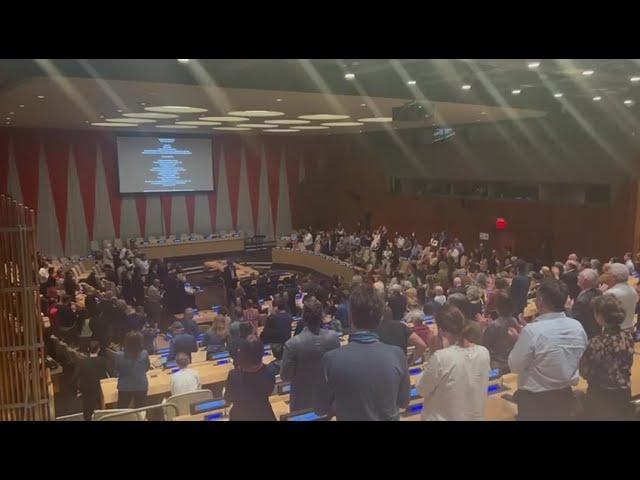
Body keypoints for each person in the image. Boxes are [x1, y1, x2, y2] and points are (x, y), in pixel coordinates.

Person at [314, 285, 410, 421]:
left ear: (350, 316)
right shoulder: (398, 354)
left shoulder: (330, 359)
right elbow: (404, 402)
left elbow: (320, 409)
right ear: (380, 317)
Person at [508, 279, 588, 420]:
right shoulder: (577, 326)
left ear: (540, 301)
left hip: (535, 402)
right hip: (565, 396)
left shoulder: (532, 331)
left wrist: (519, 341)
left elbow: (514, 366)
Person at [416, 304, 490, 420]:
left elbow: (421, 390)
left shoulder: (441, 357)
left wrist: (433, 353)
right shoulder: (484, 352)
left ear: (440, 331)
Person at [280, 297, 341, 411]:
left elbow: (285, 376)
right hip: (328, 401)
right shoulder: (334, 338)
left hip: (302, 402)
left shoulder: (292, 344)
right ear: (322, 316)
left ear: (303, 317)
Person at [579, 295, 635, 420]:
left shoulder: (596, 342)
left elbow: (584, 371)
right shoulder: (628, 337)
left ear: (600, 316)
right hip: (624, 392)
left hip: (601, 395)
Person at [224, 335, 276, 421]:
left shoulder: (234, 376)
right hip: (265, 414)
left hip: (240, 416)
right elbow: (269, 391)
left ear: (242, 354)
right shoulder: (270, 371)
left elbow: (228, 398)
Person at [482, 291, 518, 372]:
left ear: (497, 308)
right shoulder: (514, 320)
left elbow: (484, 346)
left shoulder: (494, 326)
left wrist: (483, 327)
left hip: (497, 364)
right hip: (512, 361)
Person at [73, 341, 109, 420]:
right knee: (101, 408)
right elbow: (110, 372)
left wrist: (76, 390)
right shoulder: (103, 360)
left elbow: (75, 377)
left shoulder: (82, 362)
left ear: (88, 349)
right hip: (100, 387)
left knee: (87, 409)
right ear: (98, 349)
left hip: (87, 388)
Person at [115, 331, 150, 408]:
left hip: (124, 387)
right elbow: (147, 368)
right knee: (140, 410)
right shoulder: (145, 353)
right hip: (141, 385)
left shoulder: (118, 355)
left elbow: (116, 370)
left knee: (122, 411)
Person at [603, 263, 639, 333]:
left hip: (614, 333)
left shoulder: (610, 293)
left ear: (614, 277)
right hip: (629, 331)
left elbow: (602, 315)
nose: (607, 278)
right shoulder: (633, 290)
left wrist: (600, 294)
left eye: (609, 275)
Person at [570, 268, 602, 339]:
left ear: (585, 280)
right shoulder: (599, 292)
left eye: (579, 276)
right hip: (597, 331)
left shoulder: (582, 301)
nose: (577, 277)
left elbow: (574, 319)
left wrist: (568, 308)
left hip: (586, 334)